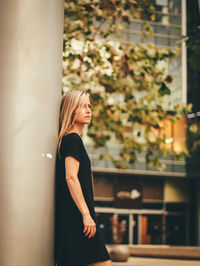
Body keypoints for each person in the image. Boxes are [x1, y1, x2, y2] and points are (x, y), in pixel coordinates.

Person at [54, 90, 112, 266]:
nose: (88, 111)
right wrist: (86, 214)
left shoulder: (70, 139)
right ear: (71, 111)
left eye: (89, 106)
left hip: (77, 218)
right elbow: (71, 178)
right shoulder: (72, 139)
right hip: (77, 219)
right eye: (82, 107)